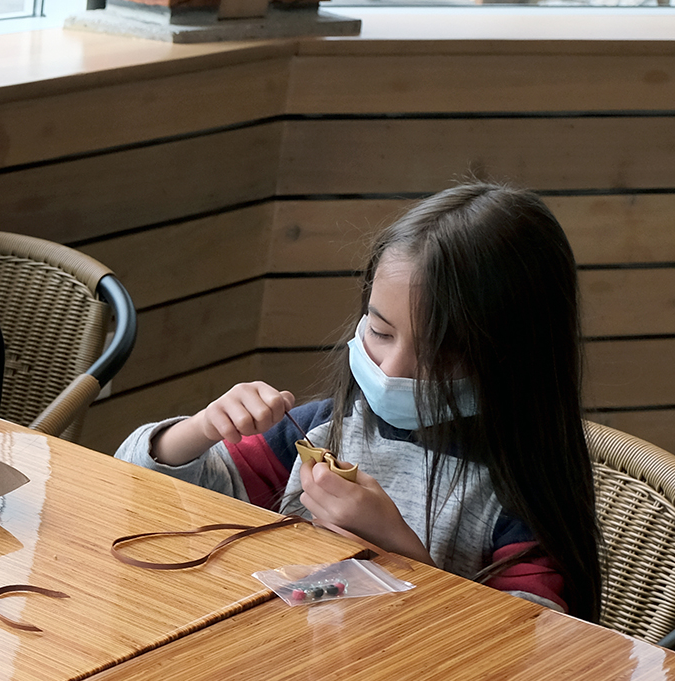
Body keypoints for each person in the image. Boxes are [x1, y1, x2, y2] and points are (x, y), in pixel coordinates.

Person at [114, 183, 602, 621]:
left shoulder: (521, 490)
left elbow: (528, 648)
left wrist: (397, 549)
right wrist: (199, 429)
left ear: (518, 356)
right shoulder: (326, 429)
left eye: (442, 353)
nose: (392, 369)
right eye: (381, 331)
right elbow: (138, 489)